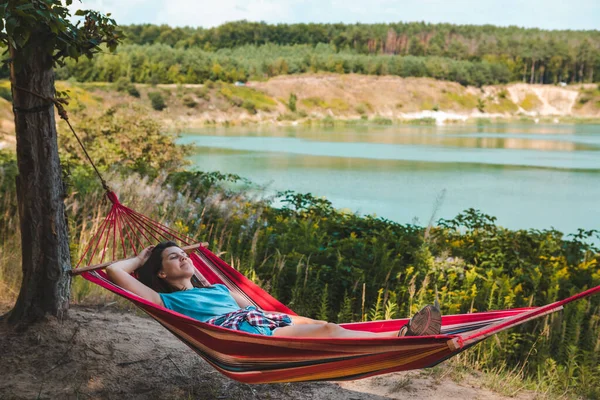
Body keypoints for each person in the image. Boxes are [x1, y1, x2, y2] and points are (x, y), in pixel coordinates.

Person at [106, 241, 442, 338]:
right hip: (244, 336)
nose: (183, 258)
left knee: (330, 328)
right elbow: (113, 271)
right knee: (327, 330)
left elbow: (255, 308)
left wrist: (290, 320)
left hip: (261, 319)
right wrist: (138, 259)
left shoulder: (219, 289)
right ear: (161, 273)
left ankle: (402, 336)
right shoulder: (165, 300)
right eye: (173, 257)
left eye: (184, 253)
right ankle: (401, 338)